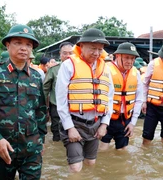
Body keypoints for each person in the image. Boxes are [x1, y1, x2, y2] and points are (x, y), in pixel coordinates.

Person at [0, 24, 47, 179]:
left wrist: (41, 140)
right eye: (18, 42)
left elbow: (40, 111)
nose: (24, 48)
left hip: (31, 151)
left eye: (28, 44)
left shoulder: (36, 77)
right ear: (8, 45)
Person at [55, 28, 114, 173]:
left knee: (90, 163)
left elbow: (109, 98)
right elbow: (61, 101)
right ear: (81, 46)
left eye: (100, 49)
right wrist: (70, 128)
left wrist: (104, 124)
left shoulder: (105, 68)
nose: (96, 53)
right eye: (93, 48)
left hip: (95, 125)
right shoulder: (68, 65)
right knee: (75, 168)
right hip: (75, 123)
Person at [99, 42, 143, 150]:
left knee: (123, 152)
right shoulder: (106, 69)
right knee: (102, 150)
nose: (130, 61)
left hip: (125, 119)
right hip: (106, 118)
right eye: (127, 57)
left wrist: (133, 123)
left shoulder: (135, 73)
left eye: (132, 58)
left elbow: (139, 99)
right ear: (117, 56)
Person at [43, 42, 73, 141]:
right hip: (56, 105)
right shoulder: (53, 70)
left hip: (74, 108)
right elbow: (45, 89)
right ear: (60, 54)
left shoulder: (80, 69)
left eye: (71, 53)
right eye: (65, 53)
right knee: (57, 132)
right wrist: (43, 107)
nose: (68, 56)